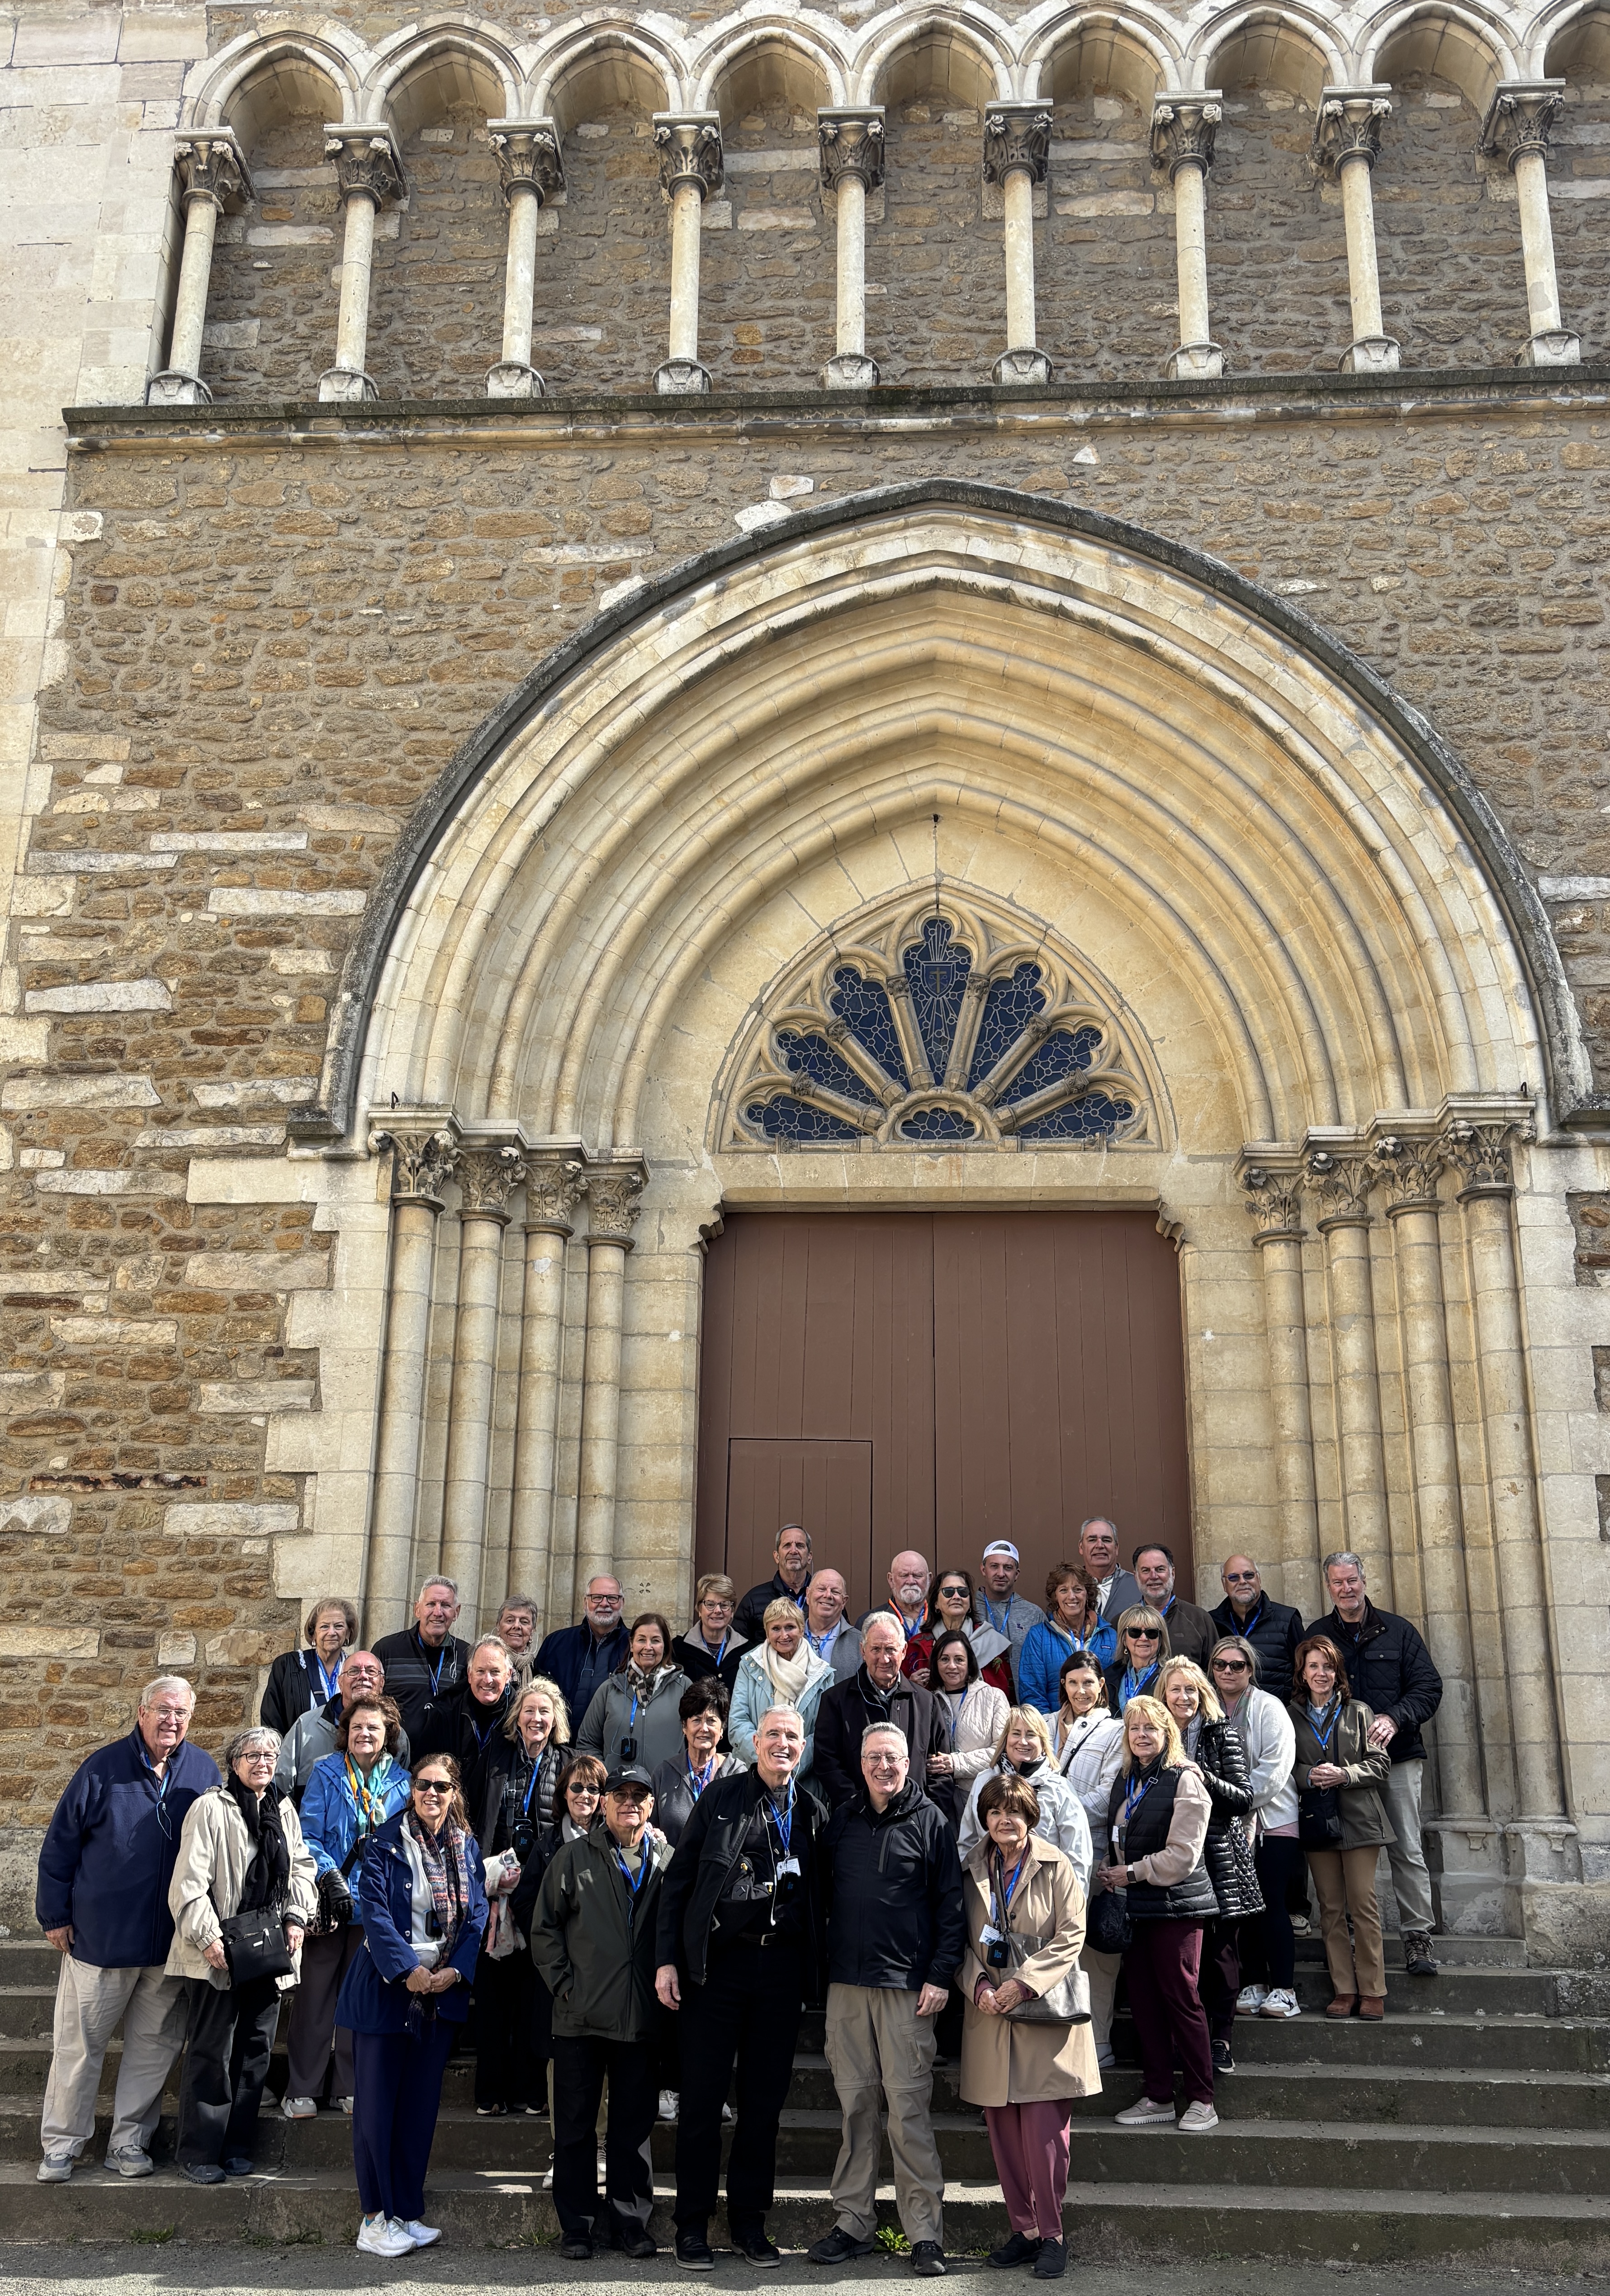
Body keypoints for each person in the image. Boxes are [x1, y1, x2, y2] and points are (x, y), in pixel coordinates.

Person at [656, 1706, 826, 2268]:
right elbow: (679, 1882)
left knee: (763, 2106)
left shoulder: (812, 1810)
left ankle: (749, 2222)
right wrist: (668, 1960)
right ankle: (691, 2224)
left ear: (803, 1746)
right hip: (718, 1968)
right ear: (754, 1742)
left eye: (792, 1736)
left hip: (780, 1972)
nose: (782, 1743)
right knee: (702, 2101)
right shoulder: (721, 1797)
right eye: (773, 1733)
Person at [35, 1675, 220, 2183]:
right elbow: (60, 1844)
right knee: (78, 2048)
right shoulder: (102, 1768)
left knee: (153, 2050)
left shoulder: (203, 1770)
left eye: (181, 1713)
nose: (172, 1721)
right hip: (101, 1939)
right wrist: (55, 1915)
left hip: (168, 1945)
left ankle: (129, 2142)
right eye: (163, 1710)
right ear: (142, 1712)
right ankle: (62, 2145)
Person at [808, 1723, 965, 2278]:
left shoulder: (931, 1820)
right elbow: (820, 1896)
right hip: (847, 1987)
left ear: (908, 1761)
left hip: (907, 1988)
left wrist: (940, 1974)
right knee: (855, 2109)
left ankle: (923, 2232)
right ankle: (853, 2222)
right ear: (860, 1762)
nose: (883, 1766)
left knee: (907, 2112)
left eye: (893, 1756)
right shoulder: (842, 1820)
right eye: (874, 1756)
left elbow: (952, 1905)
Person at [335, 1753, 488, 2257]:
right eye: (423, 1784)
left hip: (440, 1995)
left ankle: (405, 2211)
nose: (431, 1794)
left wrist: (455, 1971)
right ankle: (374, 2218)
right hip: (386, 1991)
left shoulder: (466, 1846)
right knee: (377, 2110)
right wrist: (408, 1969)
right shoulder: (384, 1842)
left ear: (454, 1793)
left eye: (441, 1786)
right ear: (412, 1789)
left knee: (419, 2110)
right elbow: (375, 1912)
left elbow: (477, 1914)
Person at [960, 1774, 1098, 2281]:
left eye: (1014, 1811)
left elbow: (1072, 1935)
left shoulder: (1057, 1865)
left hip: (1044, 2018)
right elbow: (956, 1940)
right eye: (996, 1811)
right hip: (990, 2016)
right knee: (1003, 2135)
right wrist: (976, 1984)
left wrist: (1023, 1983)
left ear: (1030, 1817)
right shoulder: (970, 1868)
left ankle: (1053, 2235)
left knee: (1045, 2137)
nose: (1005, 1820)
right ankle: (1024, 2231)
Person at [533, 1763, 674, 2260]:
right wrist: (565, 1987)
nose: (628, 1802)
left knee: (632, 2129)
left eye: (639, 1795)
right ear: (605, 1803)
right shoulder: (573, 1857)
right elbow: (544, 1928)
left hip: (640, 2017)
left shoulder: (667, 1861)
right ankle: (577, 2225)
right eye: (620, 1794)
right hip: (580, 2016)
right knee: (575, 2128)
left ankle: (630, 2223)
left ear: (651, 1805)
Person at [166, 1725, 317, 2183]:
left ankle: (236, 2147)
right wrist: (207, 1938)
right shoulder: (211, 1807)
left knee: (254, 2052)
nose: (263, 1763)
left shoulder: (283, 1809)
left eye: (270, 1756)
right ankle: (199, 2152)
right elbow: (188, 1882)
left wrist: (296, 1916)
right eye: (253, 1755)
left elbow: (301, 1868)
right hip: (219, 1948)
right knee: (212, 2051)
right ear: (234, 1763)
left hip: (268, 1949)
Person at [1309, 1551, 1444, 1977]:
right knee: (1346, 1847)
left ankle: (1417, 1936)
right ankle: (1349, 1932)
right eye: (1337, 1582)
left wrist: (1395, 1718)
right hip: (1343, 1769)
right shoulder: (1318, 1634)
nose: (1346, 1588)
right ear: (1328, 1587)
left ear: (1364, 1581)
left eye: (1352, 1580)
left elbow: (1428, 1687)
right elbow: (1306, 1690)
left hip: (1397, 1758)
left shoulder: (1398, 1631)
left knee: (1407, 1847)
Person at [283, 1691, 411, 2121]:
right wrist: (328, 1876)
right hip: (330, 1899)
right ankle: (303, 2086)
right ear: (345, 1732)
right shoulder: (326, 1772)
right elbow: (308, 1835)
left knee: (361, 1998)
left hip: (376, 1904)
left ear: (388, 1734)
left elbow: (404, 1844)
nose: (364, 1734)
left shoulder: (404, 1782)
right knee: (315, 1994)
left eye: (373, 1727)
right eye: (357, 1727)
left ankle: (350, 2085)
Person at [1095, 1695, 1218, 2134]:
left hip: (1176, 1906)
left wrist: (1130, 1872)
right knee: (1144, 2003)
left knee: (1181, 2000)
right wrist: (1110, 1868)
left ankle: (1202, 2099)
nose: (1141, 1735)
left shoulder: (1185, 1778)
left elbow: (1183, 1854)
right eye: (1134, 1728)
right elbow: (1121, 1834)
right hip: (1135, 1906)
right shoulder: (1126, 1778)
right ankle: (1158, 2096)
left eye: (1150, 1727)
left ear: (1169, 1733)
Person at [1156, 1656, 1262, 2075]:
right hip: (1172, 1859)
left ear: (1203, 1694)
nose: (1183, 1697)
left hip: (1220, 1859)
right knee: (1182, 1961)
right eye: (1176, 1689)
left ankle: (1221, 2039)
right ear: (1163, 1694)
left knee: (1221, 1955)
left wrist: (1202, 1775)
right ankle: (1184, 2041)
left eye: (1191, 1689)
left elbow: (1243, 1798)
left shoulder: (1222, 1733)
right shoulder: (1155, 1735)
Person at [474, 1678, 570, 2118]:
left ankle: (530, 2089)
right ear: (517, 1716)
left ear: (555, 1719)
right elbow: (479, 1814)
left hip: (545, 1892)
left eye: (544, 1712)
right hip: (497, 1888)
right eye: (529, 1710)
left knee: (535, 1996)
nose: (536, 1718)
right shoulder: (496, 1756)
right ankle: (491, 2090)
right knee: (495, 1994)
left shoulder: (566, 1761)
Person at [1291, 1632, 1394, 2021]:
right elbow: (1285, 1766)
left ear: (1338, 1672)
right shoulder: (1290, 1715)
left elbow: (1380, 1765)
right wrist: (1309, 1775)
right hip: (1318, 1821)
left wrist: (1345, 1775)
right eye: (1314, 1666)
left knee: (1363, 1905)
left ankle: (1373, 1990)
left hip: (1360, 1821)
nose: (1321, 1673)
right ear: (1303, 1672)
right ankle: (1344, 1989)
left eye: (1328, 1666)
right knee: (1331, 1908)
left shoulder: (1359, 1712)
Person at [1210, 1636, 1301, 2022]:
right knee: (1241, 1908)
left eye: (1237, 1665)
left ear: (1250, 1669)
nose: (1228, 1672)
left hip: (1272, 1822)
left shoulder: (1268, 1707)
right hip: (1225, 1824)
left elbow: (1277, 1766)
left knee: (1271, 1904)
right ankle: (1254, 1983)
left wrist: (1237, 1801)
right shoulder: (1207, 1708)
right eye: (1220, 1665)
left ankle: (1285, 1990)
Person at [1051, 1654, 1125, 2069]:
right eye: (1073, 1682)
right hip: (1041, 1857)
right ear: (1063, 1685)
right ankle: (1058, 2044)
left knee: (1096, 1956)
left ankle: (1098, 2043)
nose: (1081, 1691)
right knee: (1053, 1950)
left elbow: (1107, 1795)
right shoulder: (1044, 1724)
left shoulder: (1115, 1730)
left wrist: (1051, 1812)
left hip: (1092, 1853)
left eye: (1089, 1683)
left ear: (1102, 1687)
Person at [813, 1615, 950, 1816]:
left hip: (915, 1821)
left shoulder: (927, 1703)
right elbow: (827, 1763)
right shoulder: (835, 1701)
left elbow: (941, 1769)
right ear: (863, 1651)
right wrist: (858, 1807)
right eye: (876, 1649)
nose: (884, 1659)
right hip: (856, 1819)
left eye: (891, 1650)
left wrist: (925, 1813)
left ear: (904, 1651)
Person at [957, 1709, 1092, 1884]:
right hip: (990, 1888)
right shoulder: (984, 1782)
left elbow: (1077, 1854)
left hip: (1044, 1890)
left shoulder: (1059, 1789)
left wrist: (1073, 1898)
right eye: (1016, 1733)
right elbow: (968, 1843)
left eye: (1031, 1735)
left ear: (1043, 1742)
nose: (1023, 1741)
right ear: (1006, 1739)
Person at [275, 1648, 412, 1805]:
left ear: (382, 1683)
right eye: (354, 1671)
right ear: (340, 1683)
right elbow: (280, 1790)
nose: (363, 1676)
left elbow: (402, 1794)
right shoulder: (305, 1727)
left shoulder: (397, 1735)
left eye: (371, 1671)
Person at [729, 1597, 834, 1775]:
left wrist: (792, 1766)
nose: (783, 1635)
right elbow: (738, 1722)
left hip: (802, 1778)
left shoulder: (822, 1674)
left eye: (790, 1627)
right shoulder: (749, 1665)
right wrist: (765, 1762)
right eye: (776, 1629)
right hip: (752, 1772)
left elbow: (825, 1732)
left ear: (802, 1629)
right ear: (767, 1632)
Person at [576, 1611, 689, 1776]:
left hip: (667, 1788)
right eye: (641, 1640)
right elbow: (587, 1743)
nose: (648, 1647)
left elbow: (698, 1739)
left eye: (656, 1641)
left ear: (665, 1646)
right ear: (631, 1644)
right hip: (618, 1789)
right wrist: (605, 1775)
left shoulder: (684, 1688)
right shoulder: (610, 1689)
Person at [372, 1577, 472, 1759]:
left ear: (456, 1612)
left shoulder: (467, 1655)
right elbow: (371, 1704)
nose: (438, 1612)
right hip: (394, 1762)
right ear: (417, 1609)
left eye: (446, 1605)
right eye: (431, 1604)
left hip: (445, 1763)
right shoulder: (387, 1650)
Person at [652, 1679, 745, 1847]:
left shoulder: (737, 1774)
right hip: (673, 1863)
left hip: (722, 1864)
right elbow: (651, 1830)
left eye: (711, 1721)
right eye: (696, 1720)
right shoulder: (664, 1774)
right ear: (684, 1727)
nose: (704, 1728)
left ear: (722, 1729)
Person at [533, 1573, 630, 1726]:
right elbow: (537, 1695)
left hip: (614, 1739)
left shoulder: (635, 1647)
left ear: (622, 1602)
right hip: (562, 1739)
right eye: (597, 1597)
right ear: (585, 1602)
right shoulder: (556, 1643)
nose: (605, 1603)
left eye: (612, 1598)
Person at [926, 1628, 1009, 1801]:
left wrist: (956, 1764)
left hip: (984, 1798)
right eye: (945, 1659)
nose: (952, 1666)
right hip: (940, 1799)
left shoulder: (994, 1697)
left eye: (959, 1660)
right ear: (936, 1663)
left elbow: (1003, 1752)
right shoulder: (927, 1700)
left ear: (969, 1662)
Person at [1018, 1565, 1115, 1714]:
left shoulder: (1110, 1636)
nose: (1072, 1596)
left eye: (1078, 1589)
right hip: (1055, 1724)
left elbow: (1116, 1689)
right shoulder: (1038, 1637)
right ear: (1055, 1596)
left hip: (1102, 1724)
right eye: (1064, 1590)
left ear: (1088, 1593)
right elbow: (1032, 1692)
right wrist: (1051, 1725)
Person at [1209, 1556, 1303, 1704]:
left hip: (1279, 1713)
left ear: (1259, 1579)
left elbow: (1305, 1673)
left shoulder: (1288, 1619)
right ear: (1224, 1585)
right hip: (1225, 1714)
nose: (1242, 1582)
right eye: (1233, 1577)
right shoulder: (1211, 1622)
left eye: (1249, 1575)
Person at [261, 1597, 360, 1736]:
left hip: (345, 1748)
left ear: (348, 1633)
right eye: (324, 1627)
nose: (332, 1632)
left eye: (339, 1626)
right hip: (298, 1749)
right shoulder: (288, 1666)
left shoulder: (358, 1671)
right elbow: (272, 1719)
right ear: (314, 1633)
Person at [447, 1635, 516, 1805]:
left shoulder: (521, 1717)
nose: (488, 1680)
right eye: (481, 1671)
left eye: (495, 1672)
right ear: (470, 1675)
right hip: (454, 1809)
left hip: (502, 1812)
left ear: (508, 1675)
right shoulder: (447, 1713)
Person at [973, 1542, 1043, 1695]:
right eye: (994, 1566)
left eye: (1008, 1568)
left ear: (1016, 1574)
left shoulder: (1034, 1614)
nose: (1001, 1574)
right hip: (979, 1700)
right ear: (983, 1570)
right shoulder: (969, 1609)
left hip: (1024, 1701)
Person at [906, 1569, 991, 1692]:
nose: (957, 1597)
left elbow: (1005, 1693)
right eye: (948, 1592)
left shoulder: (991, 1641)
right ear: (936, 1603)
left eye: (963, 1592)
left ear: (970, 1603)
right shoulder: (917, 1646)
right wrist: (910, 1685)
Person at [1132, 1545, 1215, 1669]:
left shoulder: (1200, 1620)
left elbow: (1215, 1672)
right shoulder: (1123, 1623)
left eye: (1160, 1569)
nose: (1153, 1576)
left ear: (1173, 1573)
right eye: (1146, 1571)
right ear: (1136, 1577)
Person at [732, 1525, 814, 1647]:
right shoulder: (754, 1600)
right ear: (777, 1556)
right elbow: (737, 1648)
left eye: (800, 1546)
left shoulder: (823, 1599)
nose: (794, 1551)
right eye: (787, 1546)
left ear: (809, 1557)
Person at [672, 1573, 748, 1693]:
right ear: (699, 1609)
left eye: (724, 1605)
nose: (718, 1611)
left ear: (732, 1611)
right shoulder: (678, 1649)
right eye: (710, 1605)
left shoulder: (747, 1651)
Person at [1103, 1607, 1171, 1713]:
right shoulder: (1109, 1676)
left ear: (1160, 1640)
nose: (1144, 1638)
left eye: (1151, 1633)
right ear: (1124, 1639)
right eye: (1135, 1632)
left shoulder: (1171, 1677)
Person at [1078, 1519, 1142, 1627]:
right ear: (1081, 1547)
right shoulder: (1067, 1588)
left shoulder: (1137, 1586)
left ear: (1116, 1548)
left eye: (1106, 1540)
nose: (1100, 1545)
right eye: (1092, 1540)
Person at [804, 1567, 863, 1682]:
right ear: (808, 1595)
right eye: (821, 1589)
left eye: (835, 1592)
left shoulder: (860, 1643)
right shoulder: (787, 1637)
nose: (828, 1595)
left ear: (844, 1602)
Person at [866, 1551, 932, 1638]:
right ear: (891, 1580)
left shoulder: (942, 1618)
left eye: (918, 1575)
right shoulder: (869, 1622)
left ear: (929, 1579)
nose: (911, 1582)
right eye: (904, 1576)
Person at [493, 1594, 540, 1693]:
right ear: (498, 1626)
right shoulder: (483, 1664)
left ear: (533, 1630)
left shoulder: (540, 1673)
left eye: (524, 1622)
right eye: (510, 1620)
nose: (517, 1626)